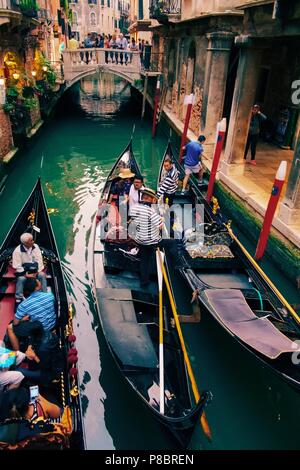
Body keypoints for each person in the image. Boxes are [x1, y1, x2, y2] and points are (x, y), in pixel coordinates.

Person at [7, 278, 56, 352]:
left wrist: (23, 319)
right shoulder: (50, 296)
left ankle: (17, 353)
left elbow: (15, 323)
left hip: (40, 330)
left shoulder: (24, 305)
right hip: (52, 325)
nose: (39, 281)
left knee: (10, 327)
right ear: (37, 287)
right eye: (38, 281)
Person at [129, 188, 163, 287]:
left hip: (139, 240)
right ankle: (175, 266)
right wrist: (162, 219)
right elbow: (160, 225)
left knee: (144, 259)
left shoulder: (135, 208)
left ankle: (144, 281)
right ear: (152, 199)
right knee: (172, 243)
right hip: (151, 242)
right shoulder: (151, 211)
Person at [12, 232, 47, 304]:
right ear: (25, 243)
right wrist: (26, 275)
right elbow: (17, 267)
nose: (33, 242)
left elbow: (39, 260)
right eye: (31, 241)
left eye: (32, 240)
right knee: (21, 279)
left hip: (35, 271)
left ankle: (44, 295)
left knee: (42, 275)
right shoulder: (17, 251)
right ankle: (19, 298)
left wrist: (37, 272)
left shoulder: (36, 246)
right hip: (24, 272)